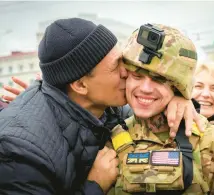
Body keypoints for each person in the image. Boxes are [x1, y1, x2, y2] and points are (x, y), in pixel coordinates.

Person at [107, 23, 214, 195]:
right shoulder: (107, 141)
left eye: (159, 79)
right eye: (137, 76)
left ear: (177, 85)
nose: (146, 88)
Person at [0, 18, 128, 195]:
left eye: (123, 60)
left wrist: (177, 99)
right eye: (116, 67)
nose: (127, 72)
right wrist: (94, 186)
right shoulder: (20, 154)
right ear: (80, 85)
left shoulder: (103, 105)